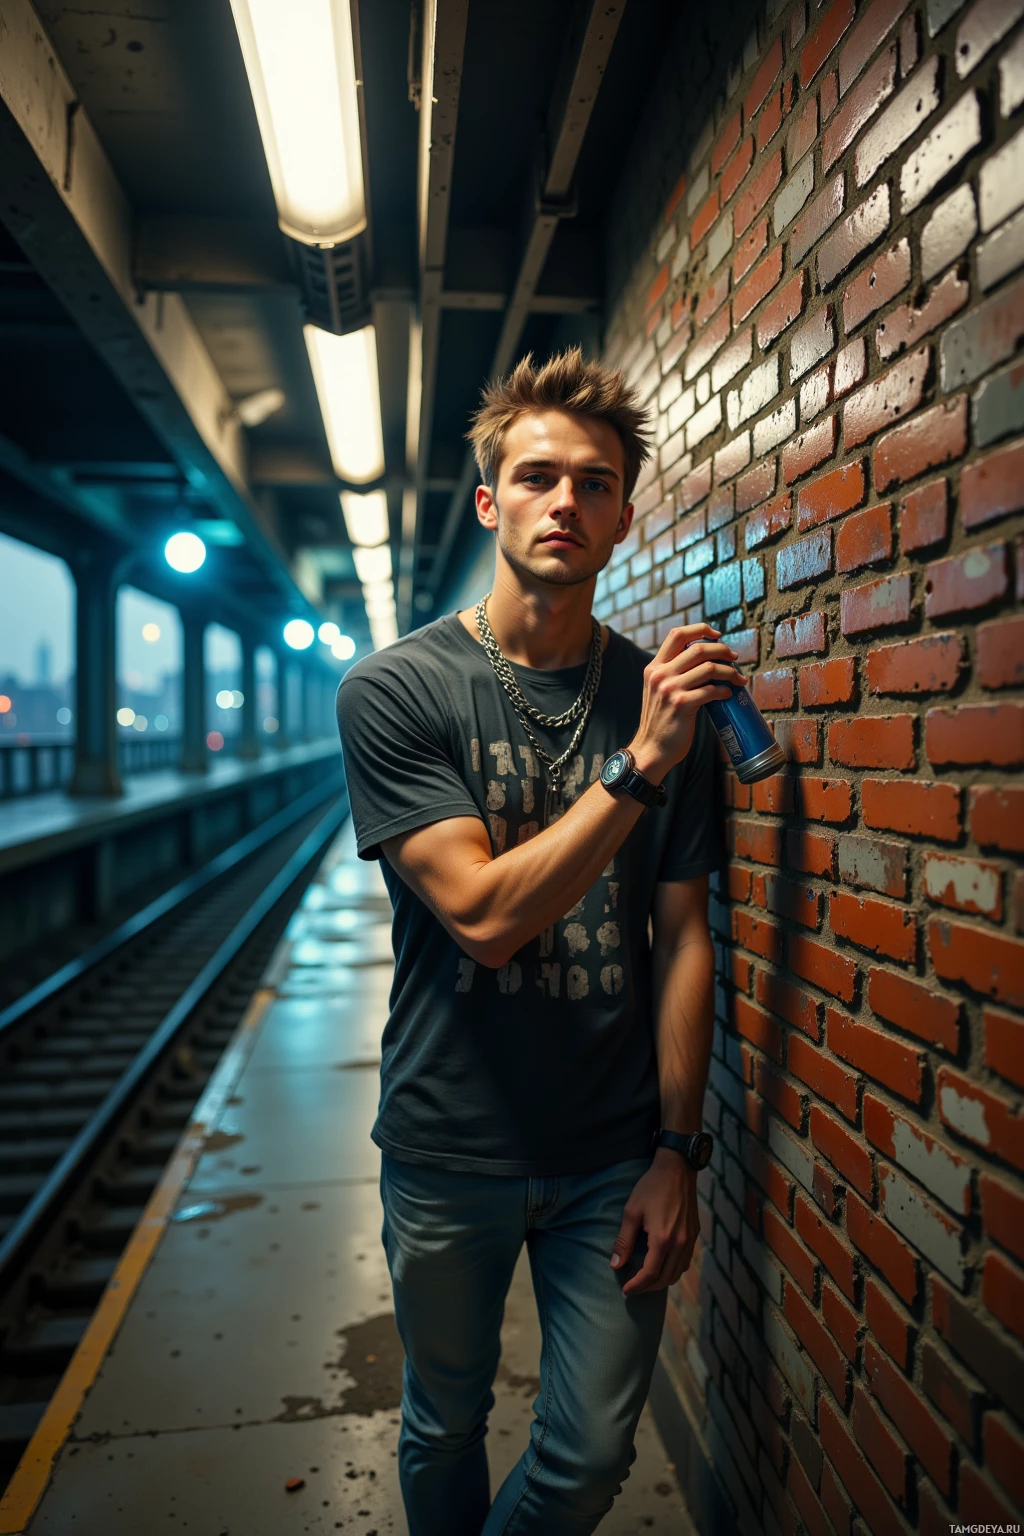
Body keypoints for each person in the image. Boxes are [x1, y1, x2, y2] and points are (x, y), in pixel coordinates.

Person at [335, 346, 745, 1535]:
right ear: (490, 502)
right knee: (442, 1422)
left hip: (613, 1152)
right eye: (536, 476)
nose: (564, 499)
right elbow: (486, 919)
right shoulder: (397, 689)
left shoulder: (660, 696)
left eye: (595, 482)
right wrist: (637, 765)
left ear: (621, 519)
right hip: (448, 1139)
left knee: (586, 1453)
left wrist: (678, 1149)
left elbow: (681, 938)